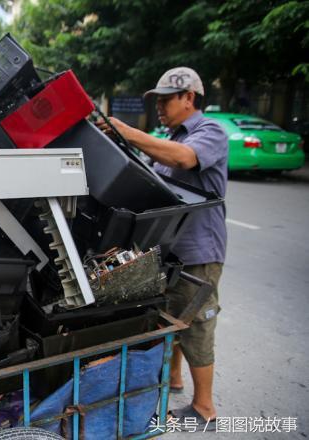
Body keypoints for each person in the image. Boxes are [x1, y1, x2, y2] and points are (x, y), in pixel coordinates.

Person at [96, 67, 227, 430]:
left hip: (199, 249)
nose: (160, 107)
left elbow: (183, 159)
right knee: (173, 315)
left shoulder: (208, 132)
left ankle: (204, 409)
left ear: (189, 98)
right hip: (170, 245)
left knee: (196, 324)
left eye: (166, 99)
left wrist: (129, 132)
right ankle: (173, 380)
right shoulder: (167, 136)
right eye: (156, 100)